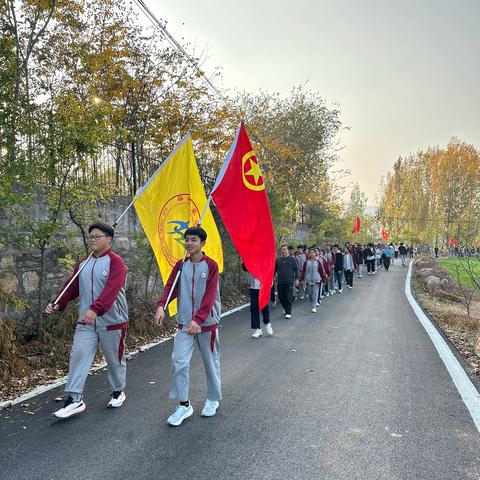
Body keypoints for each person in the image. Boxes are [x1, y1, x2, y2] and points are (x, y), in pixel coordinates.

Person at [45, 222, 128, 419]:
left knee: (114, 359)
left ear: (108, 239)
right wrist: (57, 303)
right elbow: (71, 287)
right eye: (90, 237)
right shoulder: (83, 264)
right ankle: (74, 399)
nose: (92, 240)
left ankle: (118, 390)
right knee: (79, 354)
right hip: (86, 321)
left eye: (97, 236)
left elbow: (112, 290)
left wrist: (96, 309)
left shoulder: (116, 263)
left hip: (112, 320)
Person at [155, 227, 221, 426]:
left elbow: (210, 296)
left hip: (206, 323)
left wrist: (199, 319)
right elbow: (171, 287)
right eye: (187, 240)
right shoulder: (180, 265)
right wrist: (161, 306)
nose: (189, 243)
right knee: (179, 361)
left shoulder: (211, 265)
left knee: (211, 362)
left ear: (203, 243)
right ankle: (184, 405)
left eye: (194, 240)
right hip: (184, 322)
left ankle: (212, 399)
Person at [243, 264, 272, 338]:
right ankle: (257, 329)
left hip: (263, 286)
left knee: (264, 306)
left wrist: (269, 282)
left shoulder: (264, 258)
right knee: (254, 308)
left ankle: (267, 322)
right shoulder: (251, 257)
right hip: (253, 287)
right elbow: (244, 268)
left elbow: (270, 269)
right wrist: (246, 261)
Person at [275, 244, 299, 319]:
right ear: (280, 251)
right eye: (282, 249)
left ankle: (288, 312)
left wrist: (296, 279)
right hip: (280, 281)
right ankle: (286, 308)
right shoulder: (278, 260)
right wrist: (272, 278)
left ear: (288, 250)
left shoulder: (292, 259)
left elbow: (296, 269)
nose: (284, 251)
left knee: (288, 296)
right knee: (281, 297)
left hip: (289, 281)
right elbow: (274, 270)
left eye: (285, 249)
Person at [300, 248, 324, 313]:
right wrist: (302, 279)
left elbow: (321, 271)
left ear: (315, 254)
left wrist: (323, 278)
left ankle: (314, 307)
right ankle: (312, 301)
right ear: (308, 254)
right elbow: (303, 271)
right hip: (308, 280)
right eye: (310, 252)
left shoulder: (318, 262)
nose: (311, 254)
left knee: (315, 294)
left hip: (316, 280)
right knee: (310, 293)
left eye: (313, 252)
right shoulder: (306, 262)